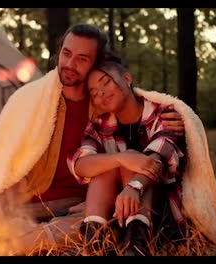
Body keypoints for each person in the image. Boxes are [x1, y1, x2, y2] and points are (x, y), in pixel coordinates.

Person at [0, 23, 185, 254]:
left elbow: (136, 110)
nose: (70, 64)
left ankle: (14, 244)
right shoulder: (30, 98)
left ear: (96, 64)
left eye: (82, 59)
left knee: (91, 221)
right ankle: (15, 234)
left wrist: (175, 119)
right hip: (28, 202)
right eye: (67, 53)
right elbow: (0, 158)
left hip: (78, 205)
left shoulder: (105, 109)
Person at [67, 56, 185, 256]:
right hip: (115, 213)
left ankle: (136, 245)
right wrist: (121, 158)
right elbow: (80, 164)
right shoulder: (98, 125)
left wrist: (134, 186)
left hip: (158, 211)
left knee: (131, 166)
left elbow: (159, 157)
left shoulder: (162, 114)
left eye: (105, 82)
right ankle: (94, 244)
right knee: (107, 166)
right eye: (94, 93)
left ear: (127, 79)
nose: (101, 93)